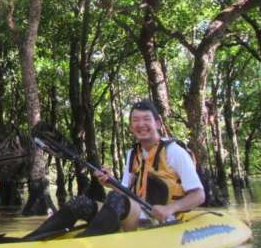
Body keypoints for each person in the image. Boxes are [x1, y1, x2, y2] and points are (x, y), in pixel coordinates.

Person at [26, 99, 204, 239]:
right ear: (130, 126)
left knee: (115, 199)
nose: (141, 124)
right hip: (135, 215)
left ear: (157, 123)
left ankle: (88, 245)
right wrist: (111, 182)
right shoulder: (132, 154)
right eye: (135, 120)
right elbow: (125, 193)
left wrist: (170, 209)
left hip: (163, 220)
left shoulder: (174, 152)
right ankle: (30, 241)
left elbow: (199, 195)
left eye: (146, 119)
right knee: (79, 202)